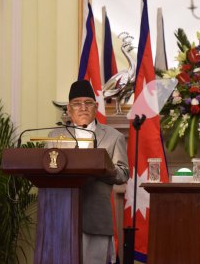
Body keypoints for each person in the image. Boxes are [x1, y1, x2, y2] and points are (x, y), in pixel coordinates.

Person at [49, 80, 129, 264]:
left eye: (88, 103)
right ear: (69, 109)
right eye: (77, 104)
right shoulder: (54, 136)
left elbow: (123, 174)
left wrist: (102, 168)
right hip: (63, 217)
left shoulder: (113, 136)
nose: (83, 108)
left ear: (96, 106)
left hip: (97, 217)